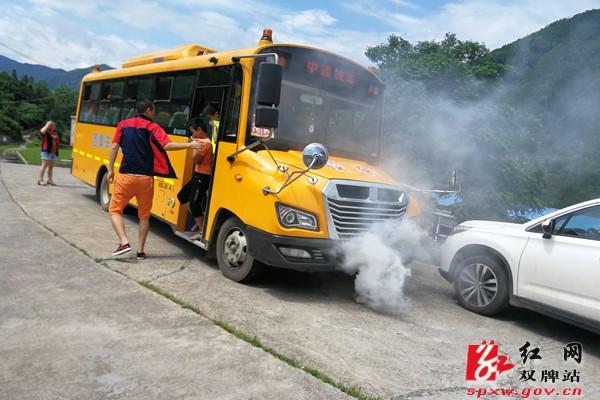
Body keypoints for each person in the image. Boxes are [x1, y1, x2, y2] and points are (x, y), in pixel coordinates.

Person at [107, 99, 208, 259]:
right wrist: (189, 145)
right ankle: (140, 251)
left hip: (126, 176)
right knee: (144, 215)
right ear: (148, 110)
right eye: (153, 110)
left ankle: (124, 241)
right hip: (146, 179)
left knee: (114, 210)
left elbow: (114, 147)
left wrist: (110, 169)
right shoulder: (153, 127)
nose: (154, 113)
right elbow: (167, 145)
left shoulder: (123, 125)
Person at [176, 117, 213, 241]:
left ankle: (202, 231)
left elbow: (195, 160)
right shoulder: (201, 142)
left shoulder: (206, 143)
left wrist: (193, 147)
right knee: (182, 196)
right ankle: (199, 221)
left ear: (200, 129)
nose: (192, 135)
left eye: (193, 132)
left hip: (203, 176)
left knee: (194, 203)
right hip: (198, 175)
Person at [38, 120, 60, 186]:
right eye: (53, 125)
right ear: (50, 126)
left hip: (53, 152)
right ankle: (40, 180)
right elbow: (41, 131)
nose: (55, 126)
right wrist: (47, 124)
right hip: (46, 151)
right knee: (44, 166)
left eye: (54, 125)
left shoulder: (55, 132)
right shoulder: (46, 132)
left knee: (51, 167)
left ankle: (50, 180)